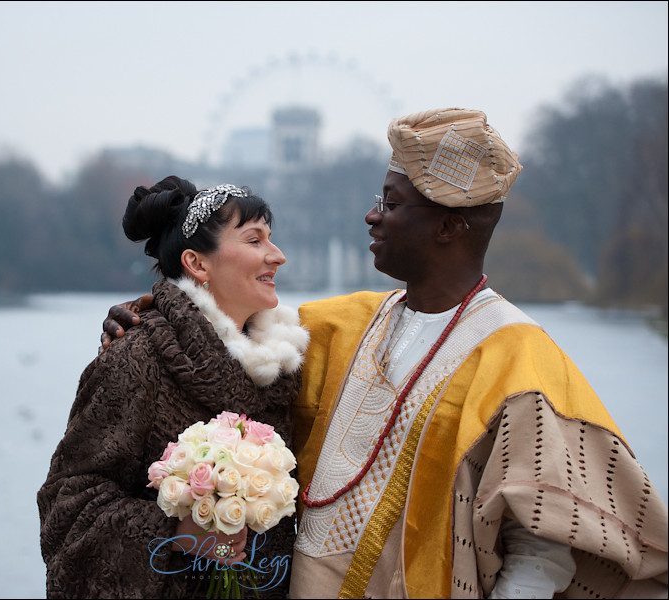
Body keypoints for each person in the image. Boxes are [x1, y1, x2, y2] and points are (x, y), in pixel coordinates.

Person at [100, 109, 669, 598]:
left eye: (391, 203)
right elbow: (224, 328)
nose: (372, 215)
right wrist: (157, 308)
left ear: (448, 226)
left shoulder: (522, 358)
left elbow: (541, 552)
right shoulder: (339, 326)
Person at [37, 176, 309, 599]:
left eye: (271, 239)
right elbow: (66, 508)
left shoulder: (285, 370)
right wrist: (179, 531)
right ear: (198, 264)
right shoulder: (136, 358)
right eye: (255, 240)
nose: (278, 255)